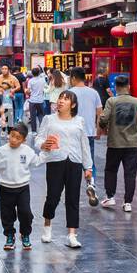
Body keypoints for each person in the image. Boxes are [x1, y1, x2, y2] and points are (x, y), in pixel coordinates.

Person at [34, 90, 93, 248]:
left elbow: (84, 145)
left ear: (73, 105)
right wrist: (42, 144)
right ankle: (47, 226)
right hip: (55, 160)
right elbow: (38, 138)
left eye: (66, 99)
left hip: (74, 162)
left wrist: (88, 167)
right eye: (60, 98)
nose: (61, 101)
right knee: (53, 196)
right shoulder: (49, 119)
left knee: (73, 198)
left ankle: (72, 234)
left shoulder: (79, 121)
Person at [0, 122, 44, 251]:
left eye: (18, 138)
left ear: (24, 140)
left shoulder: (27, 151)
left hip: (23, 188)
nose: (14, 140)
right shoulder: (2, 151)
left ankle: (25, 234)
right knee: (7, 214)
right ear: (9, 134)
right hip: (6, 188)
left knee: (26, 213)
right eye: (12, 135)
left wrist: (48, 153)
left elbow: (37, 161)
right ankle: (10, 235)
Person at [99, 74, 137, 211]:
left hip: (114, 142)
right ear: (128, 87)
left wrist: (103, 126)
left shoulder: (111, 101)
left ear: (116, 87)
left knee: (111, 170)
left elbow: (103, 119)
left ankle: (110, 197)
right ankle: (128, 203)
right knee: (130, 173)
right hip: (132, 143)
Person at [69, 66, 104, 204]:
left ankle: (72, 192)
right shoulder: (94, 93)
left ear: (73, 78)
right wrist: (98, 129)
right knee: (89, 161)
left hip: (72, 132)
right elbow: (100, 113)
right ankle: (91, 183)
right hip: (89, 132)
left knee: (72, 162)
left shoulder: (69, 93)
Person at [27, 66, 49, 133]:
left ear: (32, 74)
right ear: (39, 73)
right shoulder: (42, 80)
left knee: (33, 116)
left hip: (32, 100)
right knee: (41, 115)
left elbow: (28, 91)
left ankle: (34, 131)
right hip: (41, 100)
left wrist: (30, 93)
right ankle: (42, 130)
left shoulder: (30, 81)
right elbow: (45, 88)